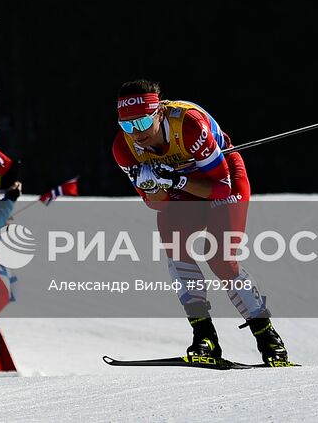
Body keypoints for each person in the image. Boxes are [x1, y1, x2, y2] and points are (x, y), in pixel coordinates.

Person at [111, 79, 292, 368]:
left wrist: (173, 179)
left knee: (220, 259)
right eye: (128, 126)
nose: (137, 133)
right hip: (181, 186)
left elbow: (220, 187)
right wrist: (155, 184)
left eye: (143, 122)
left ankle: (267, 336)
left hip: (223, 176)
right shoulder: (124, 148)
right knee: (175, 246)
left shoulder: (189, 125)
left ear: (159, 113)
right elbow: (156, 204)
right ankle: (204, 336)